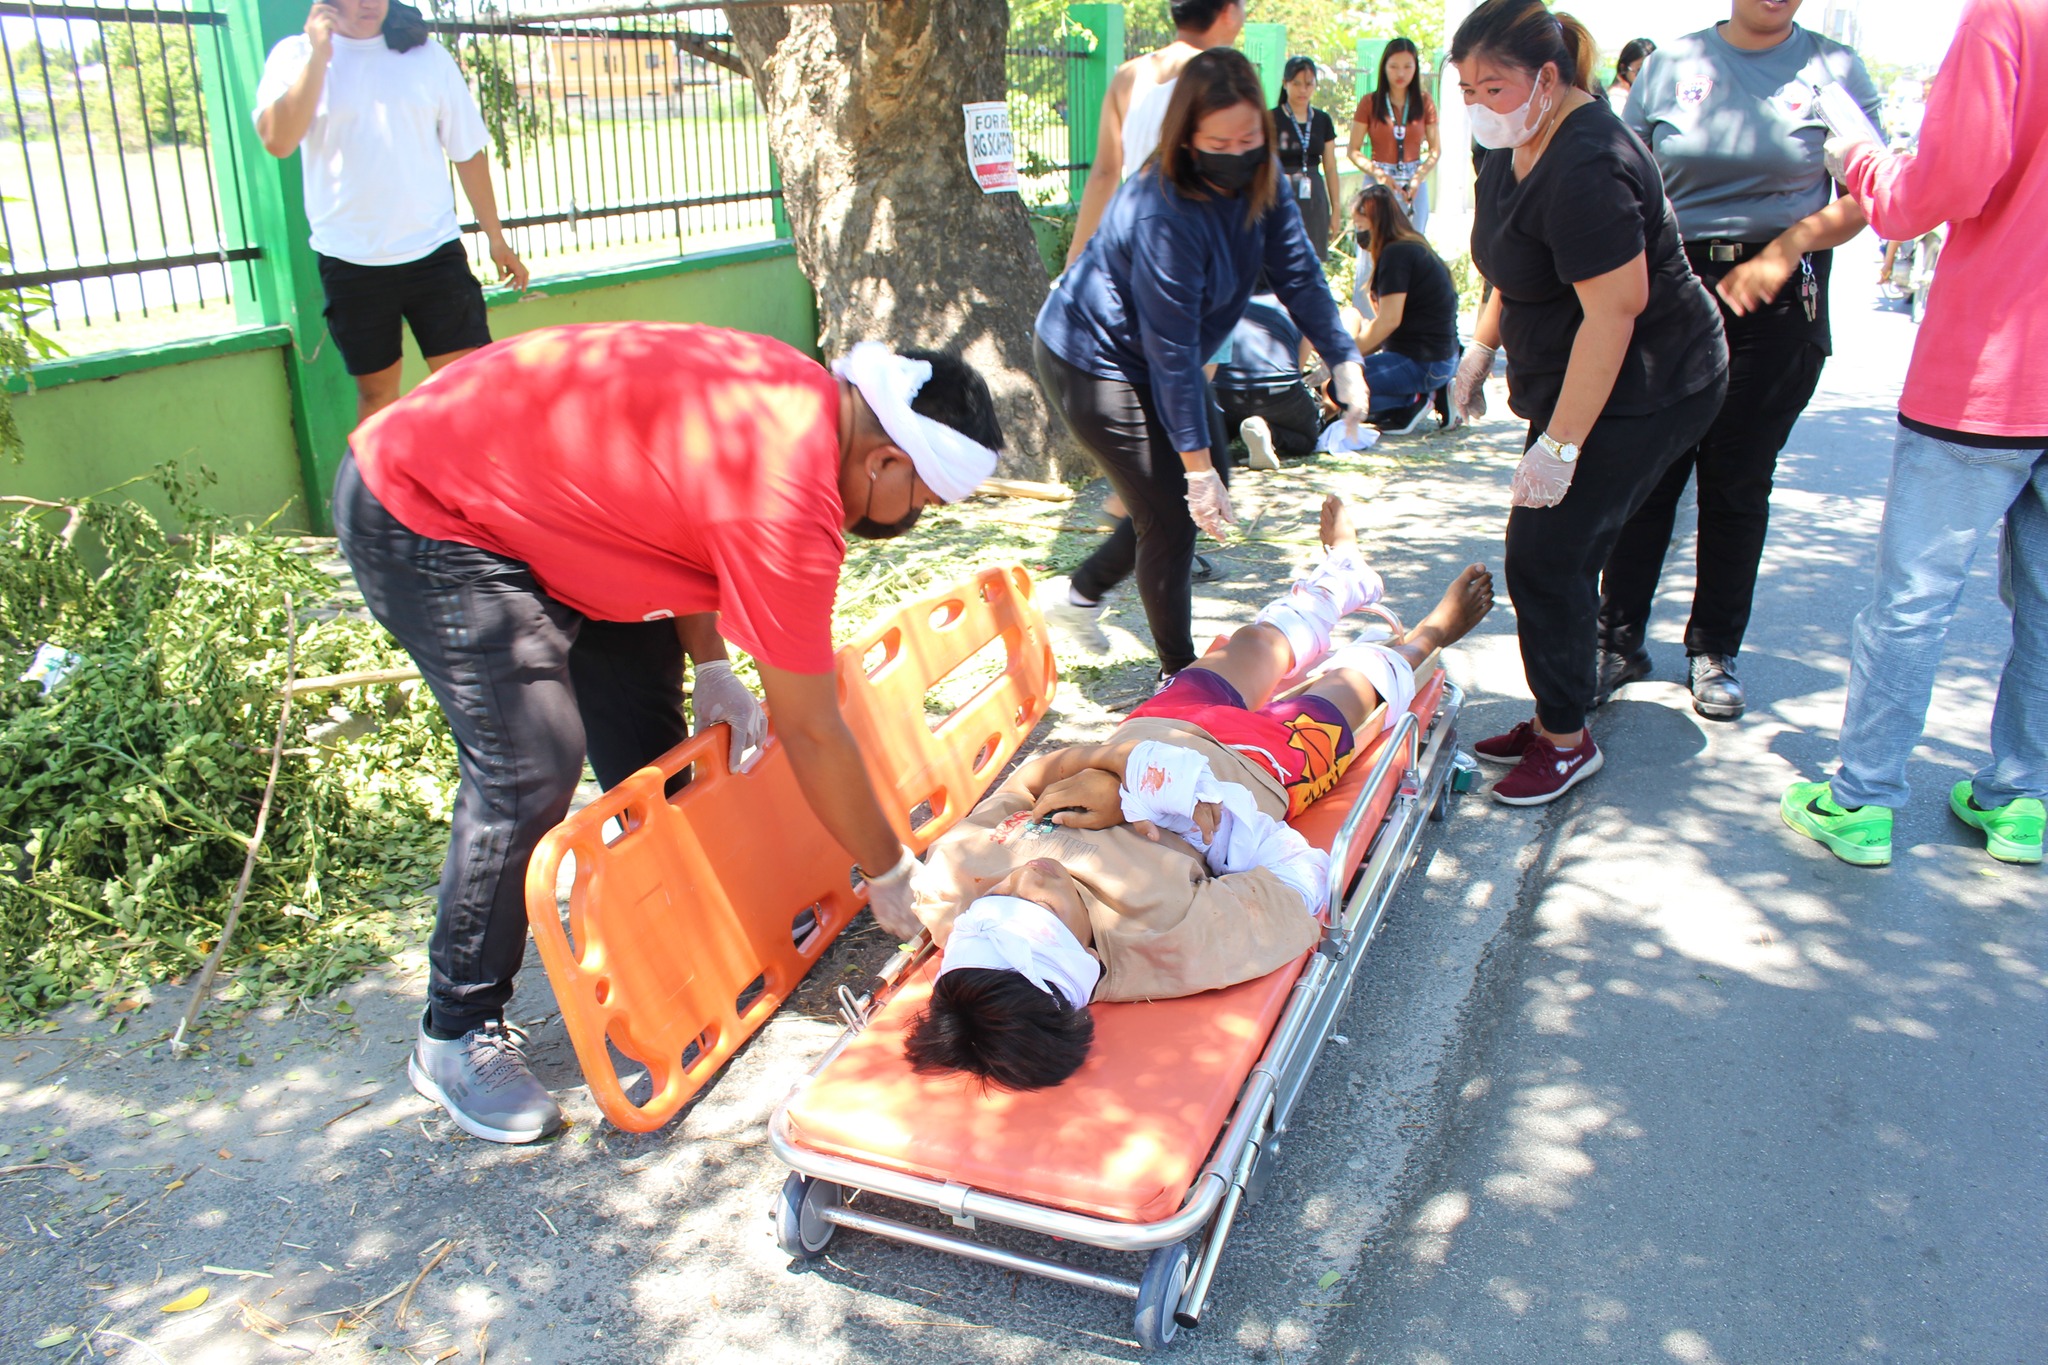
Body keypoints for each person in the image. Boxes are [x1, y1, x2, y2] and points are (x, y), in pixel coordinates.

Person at [333, 322, 1003, 1141]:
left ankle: (694, 948)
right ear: (886, 461)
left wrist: (711, 664)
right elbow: (812, 725)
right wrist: (890, 867)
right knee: (531, 761)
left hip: (545, 507)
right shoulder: (791, 493)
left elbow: (680, 520)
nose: (913, 520)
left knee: (654, 749)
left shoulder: (792, 394)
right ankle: (455, 1028)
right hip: (428, 507)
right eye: (925, 505)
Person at [902, 497, 1495, 1089]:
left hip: (1151, 727)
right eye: (1043, 909)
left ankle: (1342, 576)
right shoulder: (1170, 939)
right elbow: (1298, 874)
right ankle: (1428, 636)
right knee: (1352, 688)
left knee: (1255, 646)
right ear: (1081, 956)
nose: (1029, 878)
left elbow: (1028, 780)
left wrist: (1108, 763)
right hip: (1254, 767)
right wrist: (1166, 802)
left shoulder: (954, 882)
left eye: (1003, 893)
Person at [1782, 0, 2048, 868]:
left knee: (1914, 599)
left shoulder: (2007, 17)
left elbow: (1939, 193)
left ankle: (1860, 799)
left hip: (1992, 369)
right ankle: (2021, 799)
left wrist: (1859, 156)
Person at [1446, 0, 1729, 806]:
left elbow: (1616, 312)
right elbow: (1508, 261)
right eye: (1465, 86)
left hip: (1651, 383)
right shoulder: (1510, 138)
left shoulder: (1590, 161)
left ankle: (1566, 741)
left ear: (1547, 77)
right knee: (1548, 548)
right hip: (1579, 375)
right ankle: (1552, 716)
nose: (1477, 103)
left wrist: (1561, 447)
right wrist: (1480, 347)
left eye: (1491, 86)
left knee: (1548, 554)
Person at [1038, 49, 1370, 680]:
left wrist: (1343, 355)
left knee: (1199, 477)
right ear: (1186, 135)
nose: (1236, 153)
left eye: (1248, 137)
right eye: (1218, 141)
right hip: (1092, 356)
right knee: (1172, 507)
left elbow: (1298, 272)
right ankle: (1176, 673)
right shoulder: (1164, 207)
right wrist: (1193, 471)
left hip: (1159, 350)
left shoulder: (1261, 175)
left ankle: (1078, 594)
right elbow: (1172, 352)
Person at [1596, 1, 1883, 721]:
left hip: (1780, 297)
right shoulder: (1672, 65)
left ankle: (1714, 647)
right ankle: (1615, 637)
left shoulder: (1833, 70)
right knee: (1648, 468)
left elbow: (1870, 194)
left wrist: (1788, 250)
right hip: (1672, 289)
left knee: (1737, 475)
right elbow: (1621, 179)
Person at [254, 0, 528, 426]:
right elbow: (278, 141)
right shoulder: (294, 57)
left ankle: (471, 493)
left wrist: (496, 237)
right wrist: (319, 56)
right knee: (378, 397)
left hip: (433, 254)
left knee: (469, 388)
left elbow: (467, 150)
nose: (368, 3)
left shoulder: (426, 56)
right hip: (351, 261)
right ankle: (380, 494)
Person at [1064, 0, 1247, 268]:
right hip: (1200, 249)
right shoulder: (1225, 79)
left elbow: (1104, 174)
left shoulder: (1129, 75)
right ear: (1229, 12)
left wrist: (1075, 259)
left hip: (1139, 244)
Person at [1347, 184, 1461, 422]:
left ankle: (1414, 401)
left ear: (1378, 224)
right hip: (1439, 358)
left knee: (1342, 388)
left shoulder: (1396, 255)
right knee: (1347, 381)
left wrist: (1343, 357)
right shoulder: (1413, 246)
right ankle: (1430, 392)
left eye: (1361, 227)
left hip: (1423, 362)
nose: (1359, 235)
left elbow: (1388, 321)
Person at [1212, 289, 1322, 469]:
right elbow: (1297, 370)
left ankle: (1227, 432)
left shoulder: (1227, 297)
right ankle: (1271, 434)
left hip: (1226, 393)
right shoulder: (1295, 301)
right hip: (1278, 391)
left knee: (1222, 429)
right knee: (1308, 439)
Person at [1347, 38, 1440, 237]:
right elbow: (1353, 150)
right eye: (1394, 66)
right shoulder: (1370, 102)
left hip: (1413, 181)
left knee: (1413, 241)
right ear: (1384, 68)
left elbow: (1435, 150)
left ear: (1416, 68)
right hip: (1379, 178)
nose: (1400, 73)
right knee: (1372, 243)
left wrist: (1419, 176)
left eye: (1407, 66)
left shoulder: (1424, 102)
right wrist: (1379, 174)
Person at [1274, 56, 1343, 256]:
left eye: (1308, 84)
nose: (1303, 90)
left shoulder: (1322, 120)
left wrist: (1335, 209)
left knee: (1313, 258)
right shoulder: (1272, 118)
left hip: (1314, 195)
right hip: (1281, 192)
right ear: (1285, 83)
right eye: (1296, 84)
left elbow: (1330, 167)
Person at [1607, 37, 1655, 113]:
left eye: (1653, 71)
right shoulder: (1617, 100)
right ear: (1623, 68)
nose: (1646, 77)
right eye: (1639, 70)